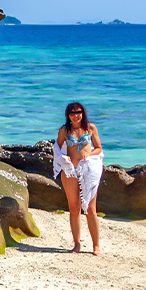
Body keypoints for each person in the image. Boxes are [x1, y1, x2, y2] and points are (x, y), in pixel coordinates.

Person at [52, 101, 103, 254]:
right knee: (74, 208)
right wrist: (64, 160)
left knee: (90, 209)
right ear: (68, 115)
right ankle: (76, 244)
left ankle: (96, 246)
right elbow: (56, 148)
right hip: (70, 172)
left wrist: (89, 155)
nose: (76, 115)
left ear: (83, 113)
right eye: (72, 113)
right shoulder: (64, 130)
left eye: (78, 112)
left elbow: (99, 148)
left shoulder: (91, 127)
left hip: (88, 171)